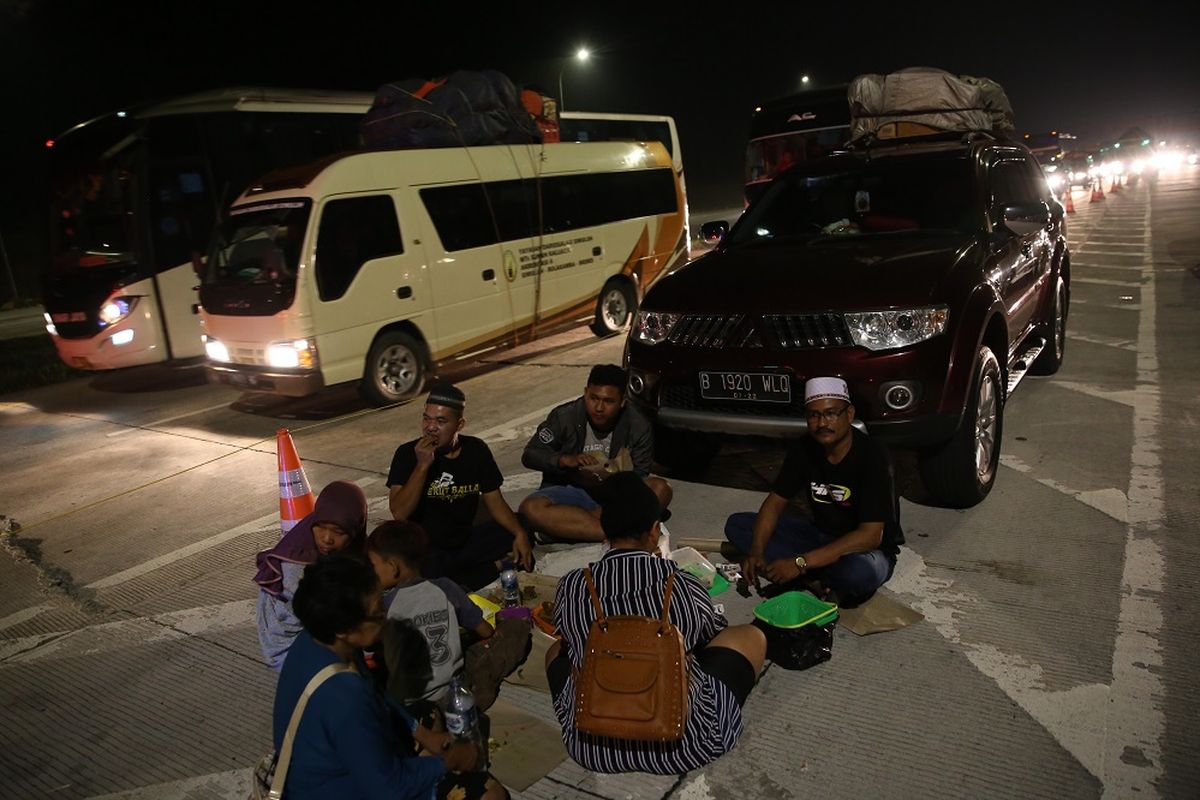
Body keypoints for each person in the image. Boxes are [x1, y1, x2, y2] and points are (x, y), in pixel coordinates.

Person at [545, 472, 765, 775]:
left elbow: (568, 636)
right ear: (653, 531)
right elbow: (712, 631)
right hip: (686, 745)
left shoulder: (573, 585)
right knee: (748, 636)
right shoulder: (682, 582)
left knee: (556, 651)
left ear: (605, 533)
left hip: (594, 749)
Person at [274, 553, 507, 800]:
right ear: (344, 628)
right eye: (377, 612)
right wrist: (448, 762)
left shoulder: (321, 638)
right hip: (342, 790)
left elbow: (375, 691)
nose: (385, 618)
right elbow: (389, 788)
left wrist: (423, 734)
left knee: (430, 715)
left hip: (345, 762)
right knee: (490, 794)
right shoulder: (344, 697)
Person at [725, 376, 903, 606]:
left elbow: (870, 536)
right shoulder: (804, 448)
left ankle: (812, 574)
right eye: (814, 415)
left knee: (859, 573)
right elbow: (775, 502)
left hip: (865, 550)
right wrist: (756, 551)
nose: (822, 423)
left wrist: (800, 563)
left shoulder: (873, 456)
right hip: (819, 537)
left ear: (849, 414)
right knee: (738, 525)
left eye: (831, 414)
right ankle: (819, 577)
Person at [367, 520, 530, 712]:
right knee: (514, 629)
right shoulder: (446, 587)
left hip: (408, 705)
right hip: (455, 694)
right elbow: (486, 630)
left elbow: (370, 645)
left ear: (393, 567)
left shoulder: (384, 605)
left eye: (373, 565)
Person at [388, 384, 533, 590]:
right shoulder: (407, 454)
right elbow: (399, 512)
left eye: (440, 421)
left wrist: (519, 533)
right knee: (427, 573)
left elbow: (495, 502)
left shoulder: (476, 450)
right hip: (427, 550)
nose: (430, 427)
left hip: (464, 541)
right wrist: (422, 466)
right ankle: (492, 568)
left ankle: (467, 578)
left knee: (524, 528)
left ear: (459, 424)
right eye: (426, 418)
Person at [519, 364, 673, 542]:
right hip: (570, 491)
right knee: (531, 508)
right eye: (593, 398)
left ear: (623, 401)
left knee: (661, 488)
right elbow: (531, 454)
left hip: (615, 494)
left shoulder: (638, 423)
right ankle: (616, 532)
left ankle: (572, 528)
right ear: (585, 392)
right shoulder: (564, 416)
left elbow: (641, 472)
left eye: (608, 401)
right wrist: (563, 460)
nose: (598, 407)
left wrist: (613, 475)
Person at [255, 480, 368, 670]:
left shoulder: (348, 553)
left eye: (338, 531)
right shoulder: (298, 570)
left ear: (356, 528)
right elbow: (285, 634)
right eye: (320, 526)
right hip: (291, 654)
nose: (326, 538)